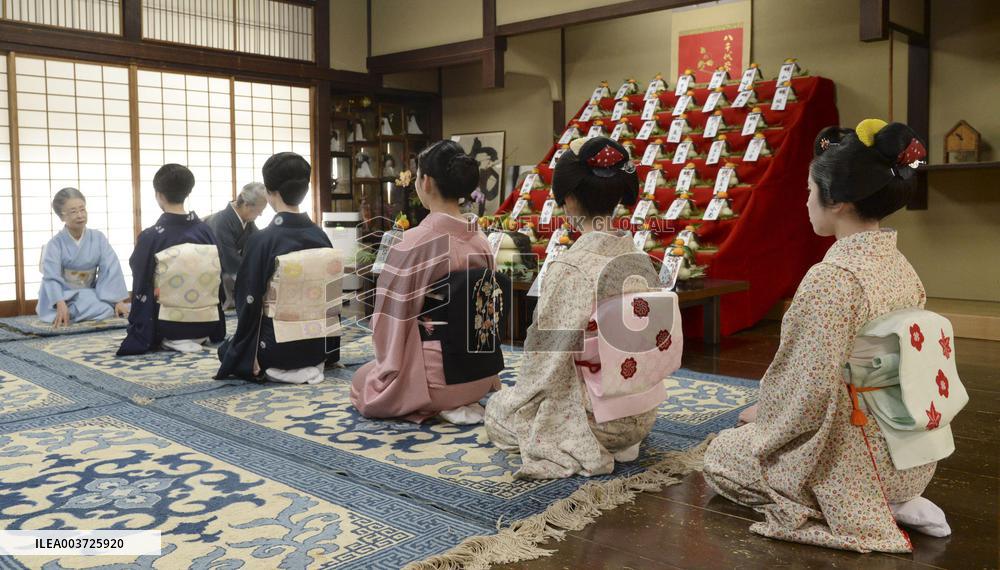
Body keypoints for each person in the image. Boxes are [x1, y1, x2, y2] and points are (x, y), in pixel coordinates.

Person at [703, 120, 950, 553]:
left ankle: (864, 506)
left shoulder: (833, 278)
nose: (806, 201)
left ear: (836, 201)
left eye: (809, 191)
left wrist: (766, 420)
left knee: (720, 456)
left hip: (859, 461)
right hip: (913, 456)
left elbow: (807, 390)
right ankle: (894, 499)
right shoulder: (901, 267)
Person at [484, 136, 672, 479]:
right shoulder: (641, 261)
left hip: (594, 419)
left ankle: (597, 441)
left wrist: (517, 400)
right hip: (643, 415)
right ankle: (622, 438)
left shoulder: (571, 267)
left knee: (499, 413)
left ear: (568, 200)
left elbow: (545, 358)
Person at [350, 140, 502, 424]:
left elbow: (388, 321)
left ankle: (428, 399)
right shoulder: (480, 240)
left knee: (361, 380)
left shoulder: (414, 242)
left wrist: (388, 369)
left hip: (436, 382)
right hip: (480, 376)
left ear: (426, 181)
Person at [216, 152, 340, 384]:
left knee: (226, 350)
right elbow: (331, 300)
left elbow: (248, 299)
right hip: (316, 348)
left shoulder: (262, 241)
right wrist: (330, 351)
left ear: (270, 194)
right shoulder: (321, 236)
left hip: (273, 350)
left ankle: (260, 360)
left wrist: (247, 353)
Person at [117, 164, 226, 356]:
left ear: (158, 194)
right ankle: (195, 333)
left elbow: (140, 279)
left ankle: (173, 338)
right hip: (206, 321)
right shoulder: (206, 231)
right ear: (188, 192)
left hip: (167, 323)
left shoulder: (152, 236)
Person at [37, 187, 129, 327]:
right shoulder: (55, 244)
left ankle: (77, 312)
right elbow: (51, 277)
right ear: (62, 216)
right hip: (64, 295)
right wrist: (60, 302)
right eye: (73, 212)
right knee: (100, 308)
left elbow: (110, 269)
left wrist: (118, 301)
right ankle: (65, 310)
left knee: (104, 307)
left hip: (88, 293)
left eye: (82, 209)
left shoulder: (98, 238)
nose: (80, 215)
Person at [205, 182, 269, 309]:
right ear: (246, 205)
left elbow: (257, 243)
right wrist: (256, 278)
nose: (260, 214)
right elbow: (229, 258)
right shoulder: (221, 222)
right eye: (259, 211)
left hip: (226, 267)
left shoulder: (247, 220)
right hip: (211, 269)